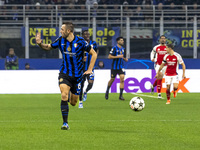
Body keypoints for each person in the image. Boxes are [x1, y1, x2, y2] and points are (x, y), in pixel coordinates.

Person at [35, 22, 97, 130]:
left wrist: (90, 69)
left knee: (73, 103)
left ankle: (67, 98)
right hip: (65, 73)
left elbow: (94, 54)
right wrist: (40, 44)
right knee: (64, 96)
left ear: (68, 31)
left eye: (62, 29)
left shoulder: (81, 42)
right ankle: (65, 123)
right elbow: (48, 47)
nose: (60, 31)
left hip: (77, 76)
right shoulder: (60, 40)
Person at [79, 30, 98, 108]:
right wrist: (81, 58)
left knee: (90, 83)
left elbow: (95, 53)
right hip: (82, 68)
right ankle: (80, 102)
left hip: (90, 68)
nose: (87, 35)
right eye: (85, 34)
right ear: (82, 35)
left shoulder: (93, 43)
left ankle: (86, 92)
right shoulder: (80, 44)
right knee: (81, 85)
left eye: (88, 34)